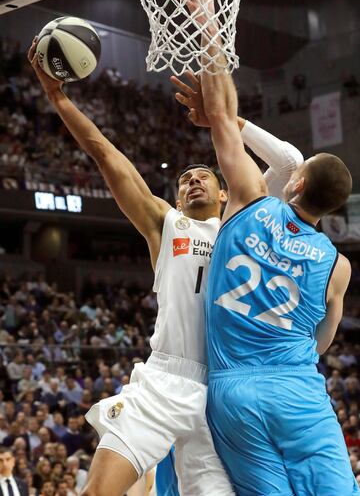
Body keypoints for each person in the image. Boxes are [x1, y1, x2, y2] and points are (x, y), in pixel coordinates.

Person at [27, 39, 302, 496]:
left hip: (221, 393)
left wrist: (225, 119)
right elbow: (106, 155)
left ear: (223, 194)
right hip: (164, 379)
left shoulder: (247, 224)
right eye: (184, 180)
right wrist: (58, 97)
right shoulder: (166, 223)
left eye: (204, 176)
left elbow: (290, 164)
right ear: (176, 199)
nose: (193, 180)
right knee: (97, 492)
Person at [182, 0, 358, 496]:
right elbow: (323, 340)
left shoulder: (247, 205)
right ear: (332, 208)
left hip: (234, 392)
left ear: (297, 184)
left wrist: (209, 23)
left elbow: (220, 113)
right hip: (298, 389)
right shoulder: (337, 265)